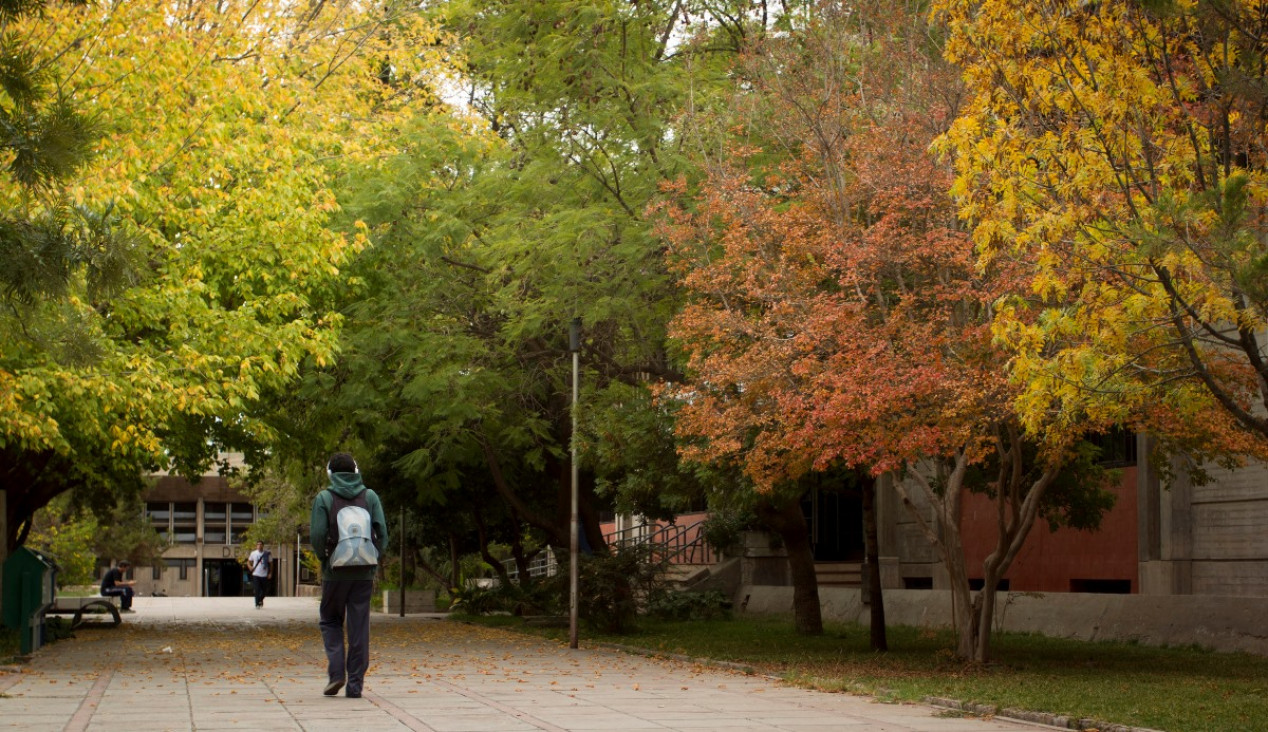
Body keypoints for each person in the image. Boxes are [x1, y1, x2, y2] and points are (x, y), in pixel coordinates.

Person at [310, 451, 387, 699]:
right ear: (356, 471)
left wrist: (326, 561)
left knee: (330, 620)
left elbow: (317, 536)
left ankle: (336, 673)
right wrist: (372, 561)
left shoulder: (324, 498)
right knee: (359, 627)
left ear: (330, 473)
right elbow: (382, 533)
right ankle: (355, 685)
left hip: (335, 573)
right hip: (363, 573)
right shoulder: (370, 496)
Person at [247, 541, 272, 609]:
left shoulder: (267, 554)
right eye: (258, 544)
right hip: (256, 574)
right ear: (256, 546)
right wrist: (250, 567)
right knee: (257, 589)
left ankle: (260, 600)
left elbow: (271, 563)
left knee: (264, 590)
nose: (259, 546)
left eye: (261, 544)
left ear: (263, 546)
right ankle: (257, 604)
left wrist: (270, 572)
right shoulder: (253, 553)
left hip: (264, 574)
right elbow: (248, 562)